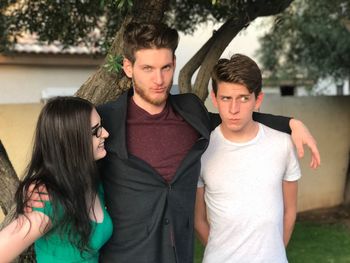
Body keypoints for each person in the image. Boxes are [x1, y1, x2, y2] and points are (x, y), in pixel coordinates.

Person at [27, 22, 320, 263]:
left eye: (166, 67)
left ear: (174, 63)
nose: (159, 79)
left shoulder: (191, 112)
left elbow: (235, 115)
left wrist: (290, 123)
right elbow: (66, 155)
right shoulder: (104, 123)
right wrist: (44, 185)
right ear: (128, 67)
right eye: (148, 69)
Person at [195, 54, 301, 262]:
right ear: (214, 99)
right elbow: (198, 220)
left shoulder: (283, 144)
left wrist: (274, 254)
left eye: (243, 98)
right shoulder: (202, 151)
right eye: (226, 98)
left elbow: (290, 212)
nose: (234, 109)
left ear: (257, 100)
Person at [0, 97, 113, 262]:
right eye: (95, 130)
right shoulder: (49, 198)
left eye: (101, 126)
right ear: (71, 141)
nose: (105, 134)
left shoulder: (93, 183)